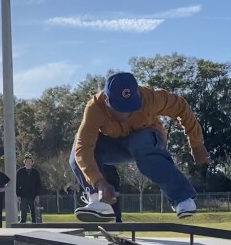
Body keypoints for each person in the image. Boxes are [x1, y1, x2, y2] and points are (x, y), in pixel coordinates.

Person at [70, 71, 210, 222]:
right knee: (76, 153)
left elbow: (181, 107)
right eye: (120, 108)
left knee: (139, 142)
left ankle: (182, 198)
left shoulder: (150, 98)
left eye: (131, 107)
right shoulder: (95, 108)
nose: (127, 114)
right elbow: (83, 148)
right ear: (107, 100)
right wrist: (99, 182)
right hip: (117, 145)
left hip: (150, 140)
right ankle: (99, 202)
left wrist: (196, 144)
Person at [16, 154, 43, 223]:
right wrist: (18, 195)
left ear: (32, 163)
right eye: (27, 162)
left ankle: (34, 224)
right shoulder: (20, 172)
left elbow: (38, 184)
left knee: (34, 211)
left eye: (30, 162)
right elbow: (17, 184)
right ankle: (22, 224)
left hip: (33, 195)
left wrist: (38, 195)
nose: (28, 163)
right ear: (24, 162)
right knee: (23, 211)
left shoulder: (36, 172)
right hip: (23, 195)